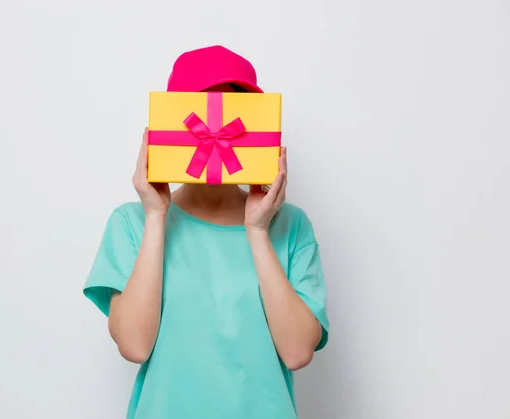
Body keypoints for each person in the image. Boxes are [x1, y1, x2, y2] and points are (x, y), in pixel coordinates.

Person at [83, 45, 330, 419]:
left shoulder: (291, 226)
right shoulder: (131, 223)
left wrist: (258, 231)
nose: (215, 131)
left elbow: (298, 352)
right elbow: (134, 345)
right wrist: (155, 215)